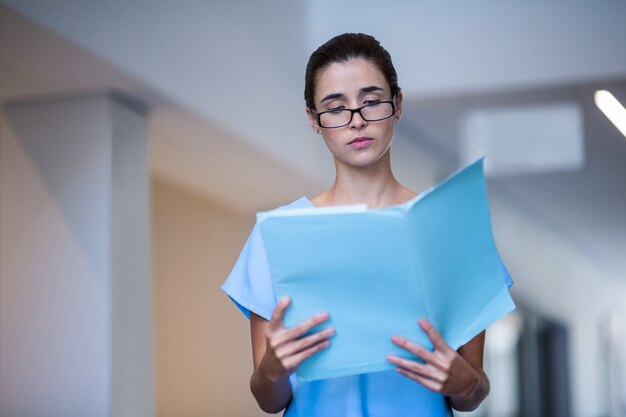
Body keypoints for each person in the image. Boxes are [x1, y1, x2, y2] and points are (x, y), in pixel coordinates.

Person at [221, 33, 513, 416]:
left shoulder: (451, 228)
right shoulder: (277, 234)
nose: (356, 121)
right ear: (313, 119)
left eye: (372, 101)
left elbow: (472, 392)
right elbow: (268, 400)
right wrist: (273, 371)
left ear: (397, 105)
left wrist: (466, 383)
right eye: (336, 108)